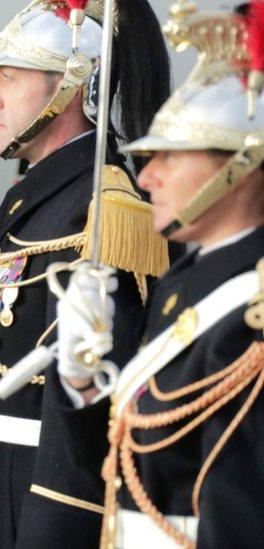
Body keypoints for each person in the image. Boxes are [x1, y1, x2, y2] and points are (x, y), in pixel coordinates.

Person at [0, 2, 172, 547]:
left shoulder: (103, 210)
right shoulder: (36, 200)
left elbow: (92, 426)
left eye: (8, 79)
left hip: (30, 513)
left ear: (71, 88)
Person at [54, 4, 264, 547]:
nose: (146, 176)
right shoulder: (187, 280)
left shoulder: (252, 314)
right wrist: (82, 380)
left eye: (170, 155)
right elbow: (116, 468)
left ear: (240, 166)